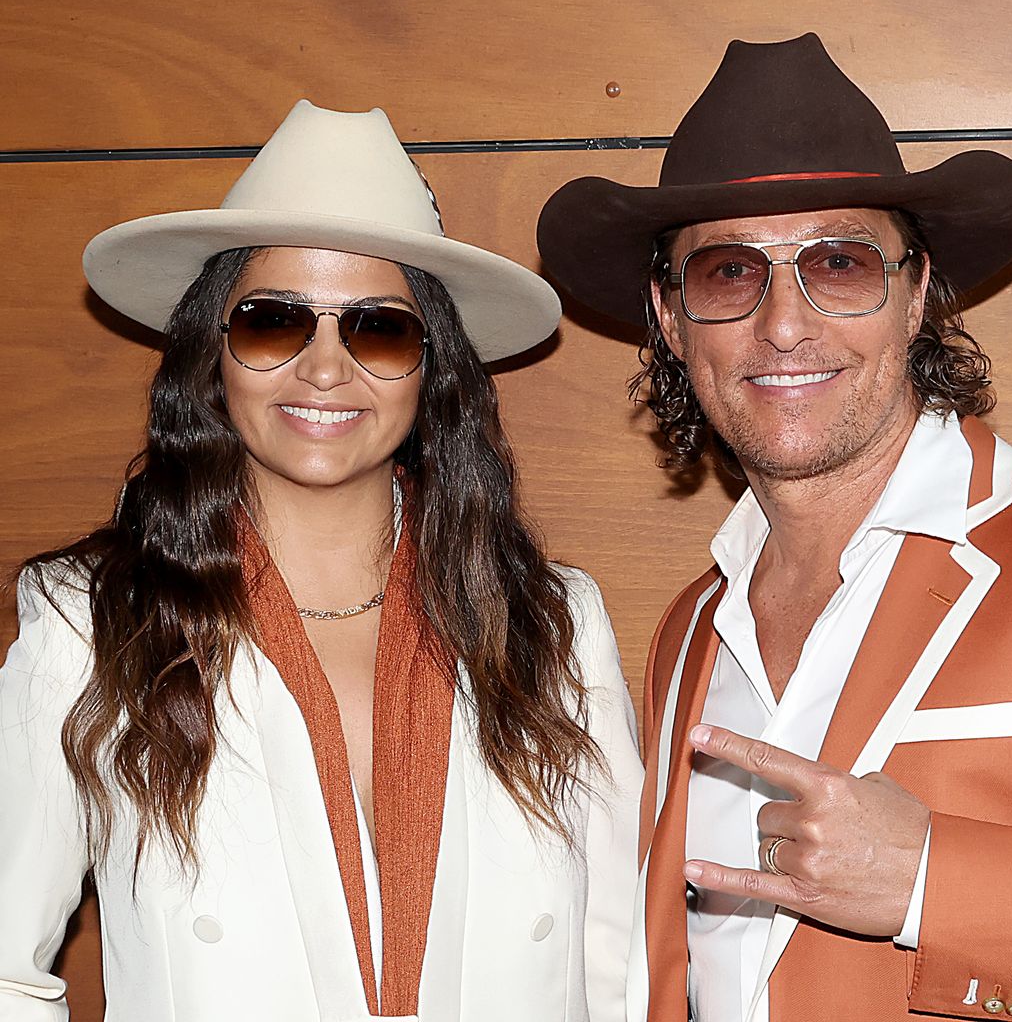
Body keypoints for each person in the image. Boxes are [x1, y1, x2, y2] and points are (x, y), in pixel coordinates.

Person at [0, 101, 642, 1022]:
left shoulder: (551, 622)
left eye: (378, 329)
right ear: (210, 354)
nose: (326, 368)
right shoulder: (90, 624)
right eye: (272, 323)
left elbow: (618, 965)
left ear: (434, 368)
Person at [537, 33, 1012, 1022]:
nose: (784, 324)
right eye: (731, 273)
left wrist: (929, 881)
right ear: (669, 315)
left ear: (915, 294)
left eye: (838, 262)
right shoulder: (687, 634)